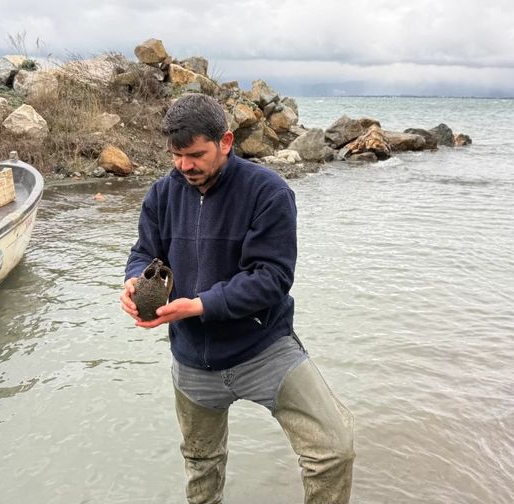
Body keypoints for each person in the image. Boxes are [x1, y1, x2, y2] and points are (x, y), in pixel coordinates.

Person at [120, 93, 355, 504]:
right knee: (201, 462)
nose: (185, 166)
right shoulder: (161, 194)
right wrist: (134, 281)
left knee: (333, 450)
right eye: (177, 155)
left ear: (226, 142)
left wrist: (200, 305)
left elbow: (272, 278)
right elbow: (145, 253)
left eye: (196, 155)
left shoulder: (268, 192)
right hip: (192, 359)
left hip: (263, 349)